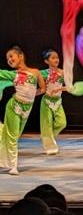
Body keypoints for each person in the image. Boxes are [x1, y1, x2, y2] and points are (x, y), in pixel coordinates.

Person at [0, 46, 46, 175]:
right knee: (13, 136)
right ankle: (13, 166)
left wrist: (30, 96)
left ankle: (5, 158)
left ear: (20, 56)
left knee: (16, 135)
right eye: (7, 58)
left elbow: (43, 89)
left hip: (27, 108)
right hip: (14, 106)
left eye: (11, 56)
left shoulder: (35, 72)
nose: (9, 60)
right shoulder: (13, 74)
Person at [38, 49, 66, 155]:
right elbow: (42, 89)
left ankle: (47, 137)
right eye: (53, 58)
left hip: (58, 101)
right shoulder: (43, 73)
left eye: (57, 57)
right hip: (46, 101)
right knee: (47, 125)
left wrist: (59, 89)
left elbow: (70, 87)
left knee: (62, 123)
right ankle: (50, 148)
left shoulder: (63, 72)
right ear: (46, 61)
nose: (56, 59)